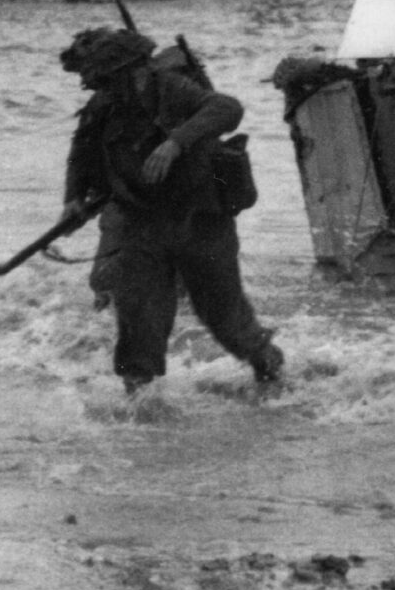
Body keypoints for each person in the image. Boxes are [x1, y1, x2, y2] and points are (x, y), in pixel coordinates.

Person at [58, 27, 283, 400]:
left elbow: (228, 108)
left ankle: (270, 370)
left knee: (226, 320)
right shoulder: (104, 103)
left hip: (200, 221)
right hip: (140, 222)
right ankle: (139, 406)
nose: (104, 90)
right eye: (100, 83)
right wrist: (73, 198)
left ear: (136, 71)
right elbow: (82, 153)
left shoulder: (173, 88)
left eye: (111, 80)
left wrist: (175, 143)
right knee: (137, 318)